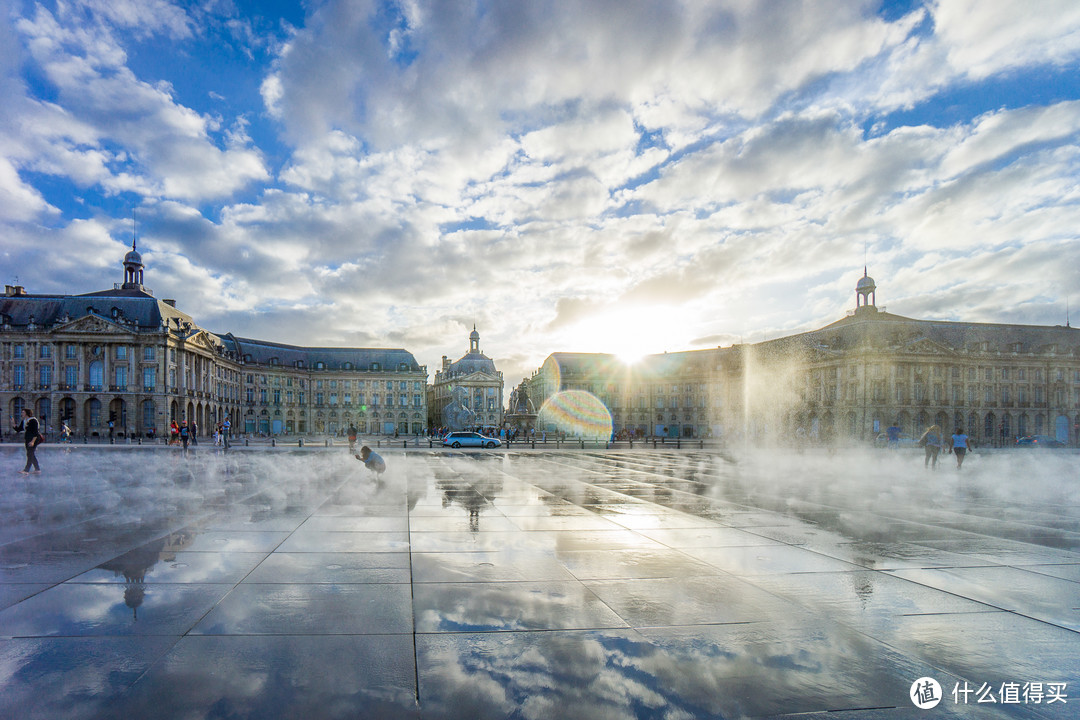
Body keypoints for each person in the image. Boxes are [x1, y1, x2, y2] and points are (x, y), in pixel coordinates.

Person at [13, 408, 42, 474]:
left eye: (23, 412)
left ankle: (26, 470)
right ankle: (37, 469)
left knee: (30, 454)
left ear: (27, 413)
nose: (21, 414)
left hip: (33, 439)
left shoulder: (33, 421)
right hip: (28, 438)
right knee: (30, 454)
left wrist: (32, 441)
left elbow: (36, 432)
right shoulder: (24, 421)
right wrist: (13, 423)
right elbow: (18, 429)